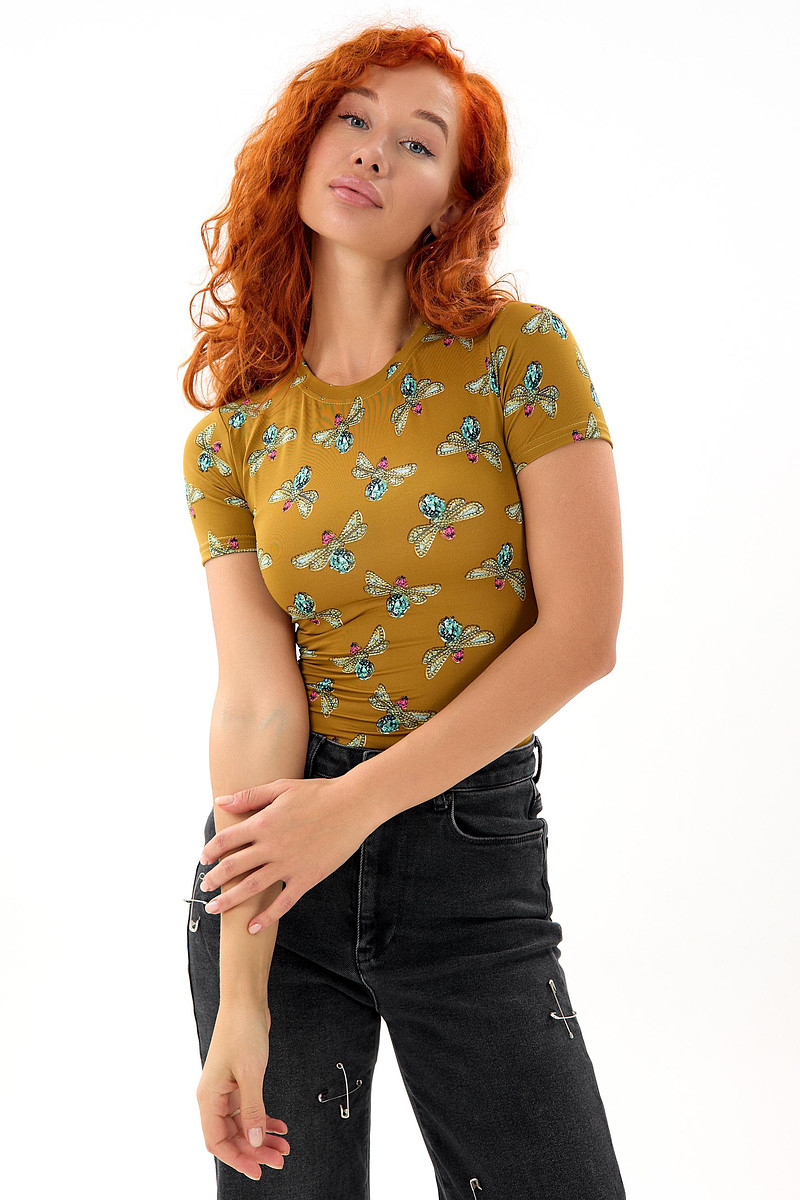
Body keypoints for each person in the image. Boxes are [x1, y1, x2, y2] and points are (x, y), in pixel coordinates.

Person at [180, 22, 625, 1199]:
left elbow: (582, 636)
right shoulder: (231, 436)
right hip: (275, 877)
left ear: (449, 207)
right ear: (305, 145)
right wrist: (238, 1000)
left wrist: (354, 808)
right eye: (354, 118)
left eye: (418, 143)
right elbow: (255, 701)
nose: (375, 151)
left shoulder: (517, 357)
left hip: (465, 859)